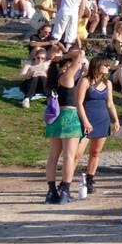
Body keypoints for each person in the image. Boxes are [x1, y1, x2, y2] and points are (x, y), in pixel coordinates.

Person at [43, 48, 85, 203]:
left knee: (53, 156)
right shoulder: (67, 77)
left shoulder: (54, 79)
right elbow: (79, 54)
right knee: (69, 156)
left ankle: (51, 191)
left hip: (56, 119)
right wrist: (64, 56)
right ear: (67, 65)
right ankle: (65, 190)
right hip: (69, 117)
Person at [77, 56, 119, 195]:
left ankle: (90, 179)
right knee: (77, 154)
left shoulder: (108, 83)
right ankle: (65, 182)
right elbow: (79, 103)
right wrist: (85, 121)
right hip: (86, 121)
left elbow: (110, 104)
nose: (108, 67)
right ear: (97, 65)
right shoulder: (85, 81)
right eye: (105, 65)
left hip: (102, 120)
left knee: (95, 153)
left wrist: (116, 120)